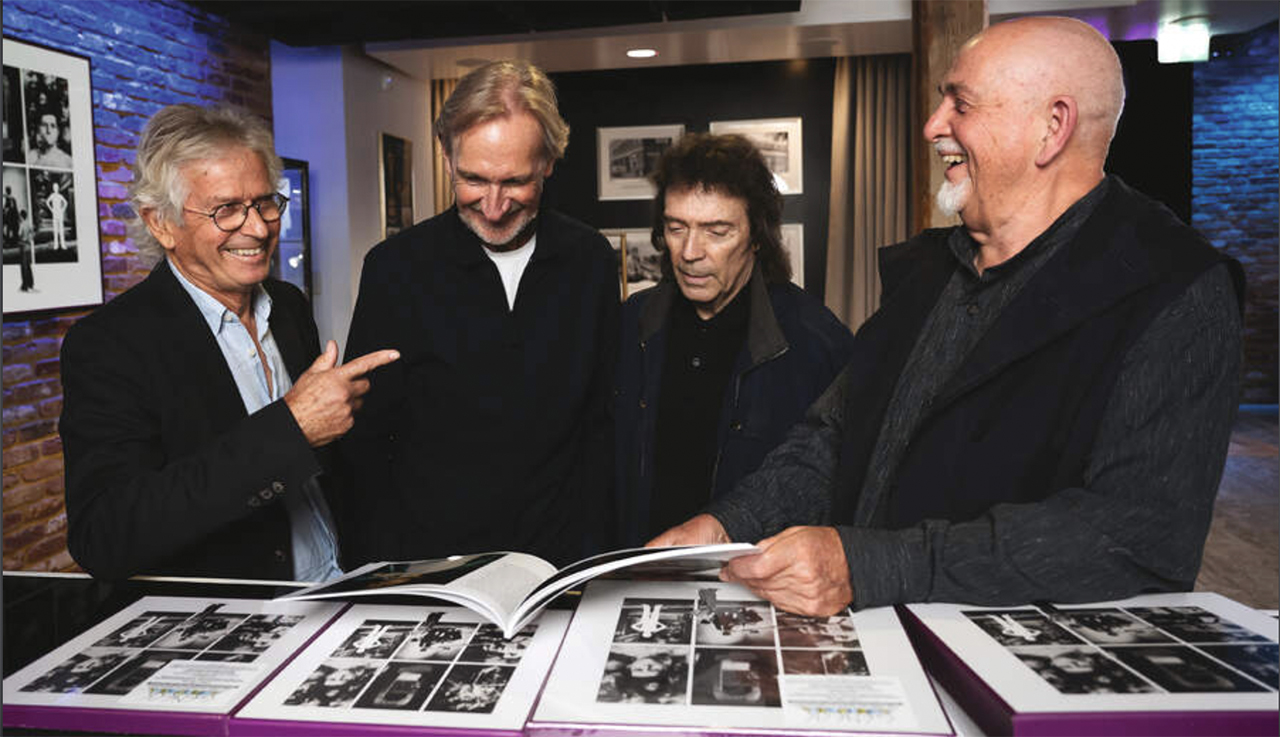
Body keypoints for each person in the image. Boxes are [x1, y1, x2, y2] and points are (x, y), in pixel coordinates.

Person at [651, 17, 1244, 615]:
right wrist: (729, 523)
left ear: (1052, 127)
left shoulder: (1173, 288)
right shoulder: (925, 272)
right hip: (879, 645)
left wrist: (868, 567)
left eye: (960, 103)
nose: (933, 125)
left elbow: (1133, 538)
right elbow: (831, 439)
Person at [59, 103, 400, 581]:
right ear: (161, 223)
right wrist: (292, 428)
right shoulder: (110, 344)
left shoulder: (287, 305)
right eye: (227, 210)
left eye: (264, 203)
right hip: (246, 613)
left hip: (340, 588)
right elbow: (105, 536)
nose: (258, 228)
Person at [338, 60, 619, 567]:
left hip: (561, 563)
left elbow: (601, 426)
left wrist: (595, 556)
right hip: (431, 567)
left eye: (514, 182)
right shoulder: (394, 269)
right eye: (473, 179)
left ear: (548, 163)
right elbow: (368, 443)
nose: (493, 206)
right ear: (446, 157)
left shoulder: (591, 259)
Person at [614, 133, 853, 548]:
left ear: (757, 236)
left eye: (717, 231)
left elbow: (832, 486)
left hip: (754, 577)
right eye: (676, 228)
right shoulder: (632, 322)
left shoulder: (817, 341)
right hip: (637, 569)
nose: (690, 252)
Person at [44, 181, 67, 250]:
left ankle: (63, 244)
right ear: (53, 188)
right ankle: (56, 245)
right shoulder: (52, 196)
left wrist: (62, 209)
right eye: (54, 187)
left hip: (60, 213)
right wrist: (51, 209)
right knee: (55, 229)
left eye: (56, 187)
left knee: (61, 229)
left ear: (58, 188)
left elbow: (66, 203)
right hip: (55, 214)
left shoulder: (60, 196)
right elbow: (47, 202)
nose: (55, 188)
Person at [17, 208, 34, 291]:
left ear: (21, 216)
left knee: (23, 267)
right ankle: (31, 283)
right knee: (28, 266)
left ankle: (25, 285)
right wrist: (29, 239)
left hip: (23, 245)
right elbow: (32, 233)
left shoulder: (22, 224)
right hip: (28, 246)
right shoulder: (29, 224)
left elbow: (19, 234)